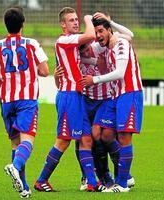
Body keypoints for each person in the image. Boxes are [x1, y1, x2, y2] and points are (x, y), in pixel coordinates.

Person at [33, 7, 106, 192]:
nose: (76, 22)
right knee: (64, 140)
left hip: (76, 96)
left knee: (86, 139)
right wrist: (89, 18)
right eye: (72, 20)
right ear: (62, 24)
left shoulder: (70, 43)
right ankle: (41, 180)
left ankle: (92, 182)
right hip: (69, 97)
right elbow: (90, 35)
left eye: (77, 19)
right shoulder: (65, 40)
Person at [0, 6, 49, 198]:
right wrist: (27, 71)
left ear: (6, 25)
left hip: (6, 100)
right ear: (23, 24)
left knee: (15, 143)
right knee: (27, 140)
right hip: (26, 99)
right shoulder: (31, 44)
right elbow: (44, 71)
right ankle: (15, 166)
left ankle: (24, 188)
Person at [81, 15, 143, 192]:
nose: (99, 35)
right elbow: (86, 56)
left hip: (129, 93)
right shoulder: (104, 48)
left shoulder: (120, 44)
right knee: (102, 134)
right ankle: (124, 175)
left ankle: (122, 182)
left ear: (109, 31)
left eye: (102, 31)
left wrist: (94, 79)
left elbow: (120, 72)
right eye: (96, 32)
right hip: (115, 95)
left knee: (124, 137)